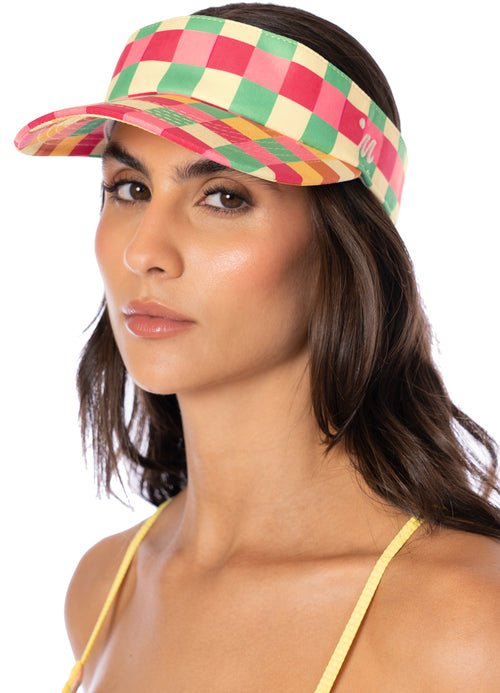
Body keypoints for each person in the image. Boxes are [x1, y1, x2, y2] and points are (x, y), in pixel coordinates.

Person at [15, 3, 500, 691]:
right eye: (129, 188)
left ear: (347, 245)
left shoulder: (467, 624)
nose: (143, 250)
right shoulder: (104, 589)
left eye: (223, 197)